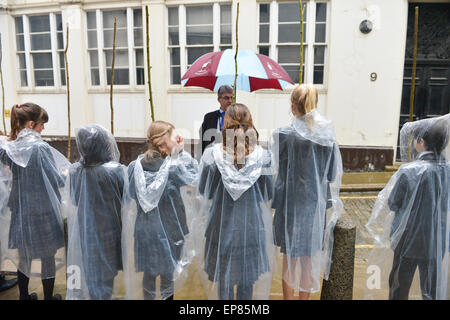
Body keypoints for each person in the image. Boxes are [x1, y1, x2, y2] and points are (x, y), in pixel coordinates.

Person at [270, 84, 343, 300]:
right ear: (315, 105)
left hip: (290, 204)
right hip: (314, 204)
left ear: (292, 106)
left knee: (289, 258)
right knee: (309, 258)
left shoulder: (282, 134)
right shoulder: (327, 136)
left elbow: (277, 171)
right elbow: (331, 174)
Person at [366, 114, 449, 300]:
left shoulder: (409, 171)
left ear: (421, 141)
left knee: (399, 285)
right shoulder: (447, 171)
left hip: (407, 239)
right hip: (436, 239)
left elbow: (394, 202)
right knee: (431, 287)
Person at [196, 103, 275, 300]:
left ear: (225, 125)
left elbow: (204, 190)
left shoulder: (211, 156)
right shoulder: (263, 157)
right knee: (247, 280)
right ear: (250, 123)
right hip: (251, 226)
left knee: (224, 279)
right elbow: (267, 194)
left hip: (221, 226)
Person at [0, 103, 69, 300]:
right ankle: (48, 297)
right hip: (43, 211)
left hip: (20, 209)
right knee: (48, 256)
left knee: (24, 255)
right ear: (31, 124)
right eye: (41, 125)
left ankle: (24, 296)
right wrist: (68, 176)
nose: (43, 129)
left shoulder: (9, 148)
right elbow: (53, 180)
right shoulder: (41, 148)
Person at [123, 121, 198, 300]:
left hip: (145, 229)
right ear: (164, 141)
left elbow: (132, 193)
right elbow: (194, 177)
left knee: (148, 276)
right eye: (174, 136)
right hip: (171, 228)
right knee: (167, 276)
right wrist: (181, 152)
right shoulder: (174, 167)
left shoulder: (135, 166)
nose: (178, 139)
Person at [64, 124, 125, 300]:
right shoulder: (115, 171)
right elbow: (125, 199)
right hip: (109, 229)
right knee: (107, 272)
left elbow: (74, 200)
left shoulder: (75, 171)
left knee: (92, 270)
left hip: (86, 229)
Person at [199, 85, 233, 154]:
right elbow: (202, 139)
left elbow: (253, 134)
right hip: (212, 156)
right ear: (219, 99)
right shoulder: (209, 117)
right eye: (226, 98)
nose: (230, 101)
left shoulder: (238, 117)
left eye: (231, 98)